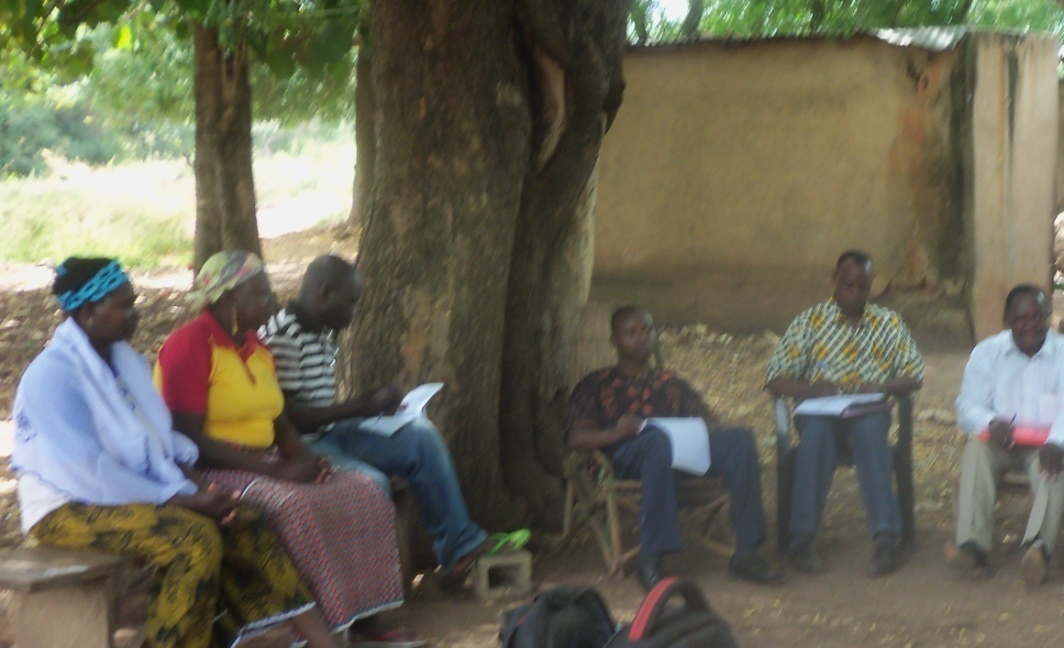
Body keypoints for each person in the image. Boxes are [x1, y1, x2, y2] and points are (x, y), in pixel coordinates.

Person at [12, 258, 396, 648]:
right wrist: (185, 498)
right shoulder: (53, 375)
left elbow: (159, 445)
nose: (135, 313)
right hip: (66, 506)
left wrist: (204, 489)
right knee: (192, 539)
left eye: (133, 303)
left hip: (133, 493)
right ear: (88, 313)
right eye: (123, 306)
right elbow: (85, 470)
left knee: (246, 520)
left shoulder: (124, 363)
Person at [154, 251, 409, 648]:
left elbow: (278, 419)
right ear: (228, 298)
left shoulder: (255, 346)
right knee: (296, 508)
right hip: (211, 470)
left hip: (265, 460)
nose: (270, 302)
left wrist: (306, 460)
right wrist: (276, 470)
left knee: (360, 489)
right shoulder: (189, 344)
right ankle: (308, 646)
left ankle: (364, 618)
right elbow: (187, 438)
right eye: (260, 293)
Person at [263, 254, 526, 579]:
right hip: (299, 446)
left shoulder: (321, 331)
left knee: (420, 436)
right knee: (370, 486)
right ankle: (372, 594)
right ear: (325, 292)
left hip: (330, 432)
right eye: (350, 303)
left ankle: (461, 545)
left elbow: (319, 404)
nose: (353, 313)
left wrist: (372, 402)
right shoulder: (285, 335)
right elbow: (288, 419)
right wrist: (361, 406)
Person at [568, 305, 783, 590]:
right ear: (614, 341)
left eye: (647, 330)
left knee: (739, 440)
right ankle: (652, 559)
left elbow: (709, 420)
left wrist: (702, 427)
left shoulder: (669, 383)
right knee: (657, 442)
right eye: (630, 332)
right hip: (624, 457)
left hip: (680, 455)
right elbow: (576, 438)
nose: (641, 337)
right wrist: (617, 431)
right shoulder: (595, 384)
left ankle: (747, 552)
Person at [766, 251, 924, 576]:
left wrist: (880, 385)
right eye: (847, 284)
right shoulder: (811, 322)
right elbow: (775, 377)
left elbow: (914, 374)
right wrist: (813, 391)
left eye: (862, 286)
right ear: (834, 282)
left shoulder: (888, 323)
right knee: (817, 435)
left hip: (867, 410)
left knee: (869, 432)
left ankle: (885, 540)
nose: (854, 293)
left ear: (871, 286)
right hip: (819, 410)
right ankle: (801, 539)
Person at [948, 285, 1064, 583]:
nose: (1029, 325)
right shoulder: (987, 353)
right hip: (1005, 442)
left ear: (1048, 317)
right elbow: (967, 405)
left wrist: (1056, 439)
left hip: (1052, 443)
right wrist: (990, 422)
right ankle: (973, 547)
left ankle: (1037, 550)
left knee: (1051, 463)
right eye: (1020, 319)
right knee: (976, 449)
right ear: (1007, 320)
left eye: (1036, 317)